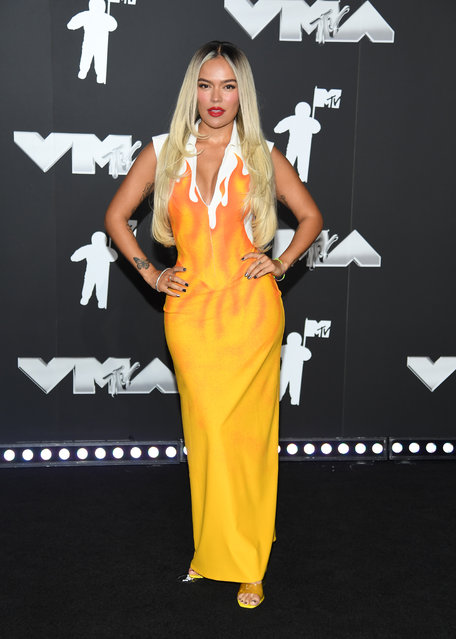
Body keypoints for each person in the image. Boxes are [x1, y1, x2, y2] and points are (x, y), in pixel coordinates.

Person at [105, 41, 323, 609]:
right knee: (206, 436)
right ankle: (212, 551)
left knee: (246, 440)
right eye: (206, 85)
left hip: (251, 313)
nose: (217, 97)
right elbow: (114, 216)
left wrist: (279, 261)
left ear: (241, 93)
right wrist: (151, 274)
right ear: (192, 91)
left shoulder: (261, 155)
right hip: (191, 315)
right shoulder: (165, 152)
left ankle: (249, 561)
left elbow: (311, 216)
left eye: (228, 86)